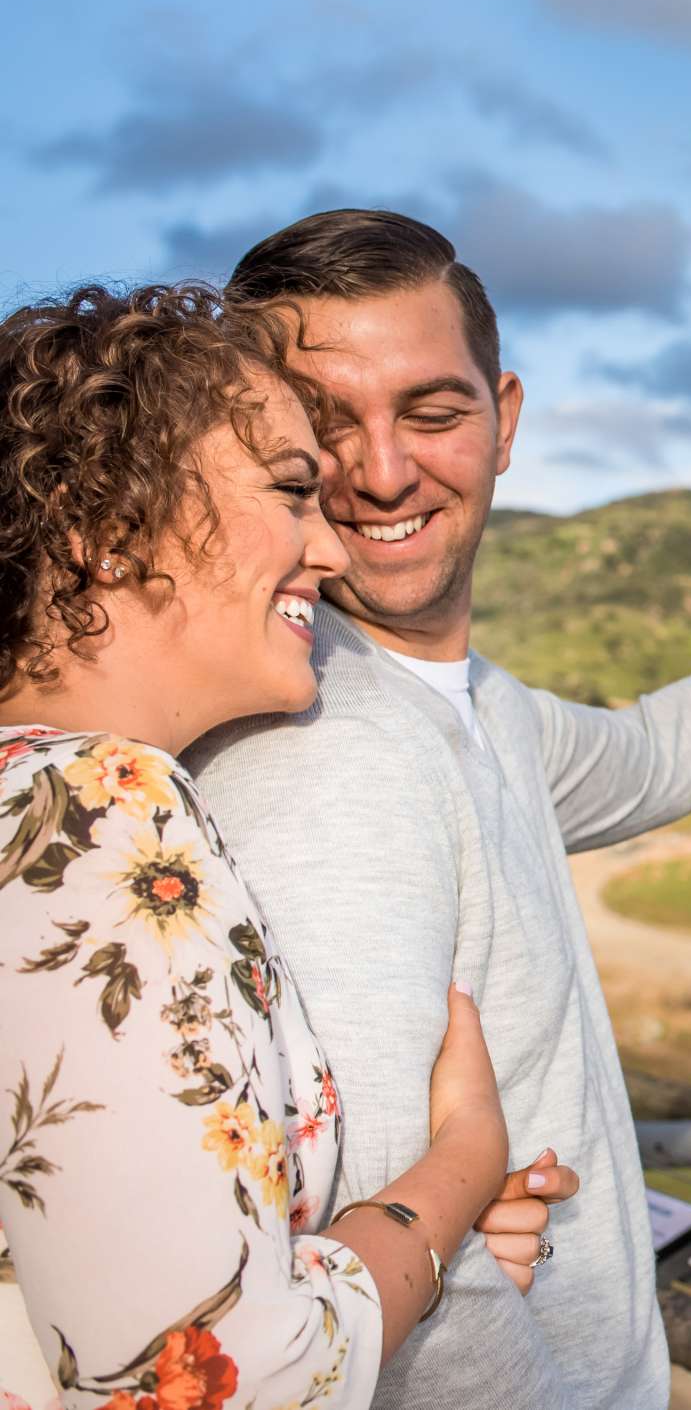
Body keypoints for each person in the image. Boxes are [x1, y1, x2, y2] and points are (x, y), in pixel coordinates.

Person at [187, 210, 691, 1409]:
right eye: (325, 425)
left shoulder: (471, 708)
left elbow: (644, 752)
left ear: (503, 420)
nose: (384, 471)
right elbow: (368, 1249)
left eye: (432, 411)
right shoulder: (325, 751)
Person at [0, 284, 569, 1409]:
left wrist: (371, 1267)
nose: (329, 546)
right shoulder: (102, 805)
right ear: (106, 528)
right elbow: (216, 1383)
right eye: (291, 490)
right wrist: (455, 1179)